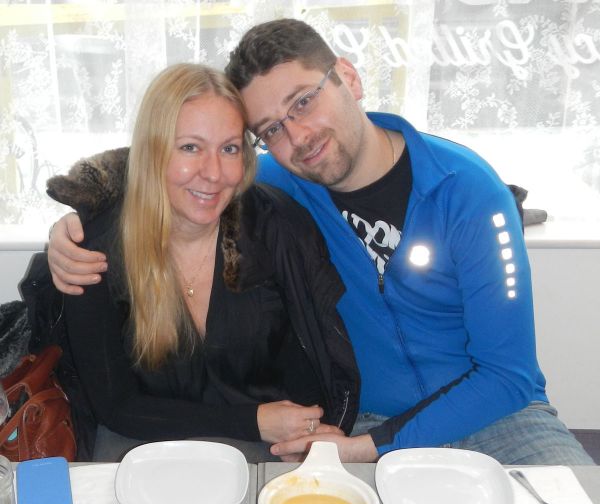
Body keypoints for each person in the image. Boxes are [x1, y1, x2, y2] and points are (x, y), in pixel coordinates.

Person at [45, 20, 593, 466]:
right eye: (271, 130)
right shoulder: (284, 178)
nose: (298, 137)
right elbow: (175, 161)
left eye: (303, 102)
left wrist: (367, 448)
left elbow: (509, 376)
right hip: (369, 416)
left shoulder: (467, 191)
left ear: (348, 78)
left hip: (498, 418)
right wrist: (81, 213)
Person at [36, 62, 359, 462]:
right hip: (139, 446)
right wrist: (252, 421)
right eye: (190, 147)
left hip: (265, 449)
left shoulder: (274, 230)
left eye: (229, 148)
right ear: (153, 152)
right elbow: (115, 406)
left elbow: (315, 369)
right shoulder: (93, 250)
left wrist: (306, 437)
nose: (213, 173)